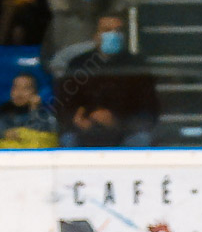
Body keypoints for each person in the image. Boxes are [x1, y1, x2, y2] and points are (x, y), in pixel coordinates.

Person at [56, 12, 158, 147]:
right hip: (85, 131)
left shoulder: (136, 65)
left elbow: (149, 109)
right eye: (107, 30)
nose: (113, 35)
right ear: (95, 35)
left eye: (118, 31)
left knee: (141, 139)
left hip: (125, 134)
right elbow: (63, 104)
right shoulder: (78, 64)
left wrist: (117, 122)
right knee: (68, 139)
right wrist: (77, 120)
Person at [0, 71, 58, 147]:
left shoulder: (44, 114)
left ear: (36, 93)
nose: (19, 92)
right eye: (16, 87)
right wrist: (3, 134)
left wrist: (34, 109)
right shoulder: (2, 111)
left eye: (26, 88)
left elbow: (45, 135)